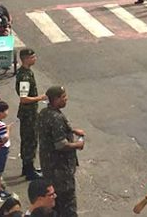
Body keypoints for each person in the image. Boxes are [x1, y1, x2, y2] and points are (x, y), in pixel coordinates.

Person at [38, 86, 84, 217]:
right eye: (63, 97)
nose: (66, 99)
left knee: (54, 203)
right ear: (56, 99)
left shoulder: (44, 113)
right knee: (67, 203)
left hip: (48, 166)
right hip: (60, 169)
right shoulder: (56, 117)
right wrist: (78, 144)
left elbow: (51, 132)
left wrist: (72, 130)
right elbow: (61, 145)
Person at [15, 48, 45, 181]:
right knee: (30, 140)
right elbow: (23, 98)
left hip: (31, 112)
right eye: (32, 57)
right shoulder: (24, 76)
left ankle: (28, 167)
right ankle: (29, 170)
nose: (35, 59)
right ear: (26, 59)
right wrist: (40, 98)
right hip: (28, 114)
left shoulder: (26, 72)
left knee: (30, 140)